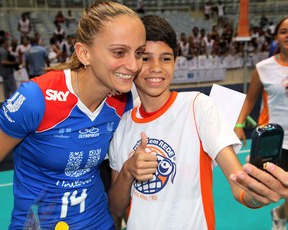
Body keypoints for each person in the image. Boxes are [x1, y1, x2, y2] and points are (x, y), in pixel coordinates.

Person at [108, 14, 282, 230]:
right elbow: (116, 207)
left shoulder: (197, 107)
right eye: (145, 58)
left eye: (165, 58)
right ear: (132, 62)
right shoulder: (122, 125)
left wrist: (259, 195)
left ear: (175, 62)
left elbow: (240, 188)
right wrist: (127, 171)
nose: (156, 67)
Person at [0, 1, 146, 229]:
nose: (133, 65)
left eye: (138, 53)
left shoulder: (126, 100)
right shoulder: (36, 98)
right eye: (119, 52)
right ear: (84, 53)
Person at [234, 17, 288, 230]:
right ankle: (280, 212)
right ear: (276, 37)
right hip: (276, 142)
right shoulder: (263, 68)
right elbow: (250, 98)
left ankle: (280, 214)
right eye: (284, 31)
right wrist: (239, 125)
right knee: (276, 191)